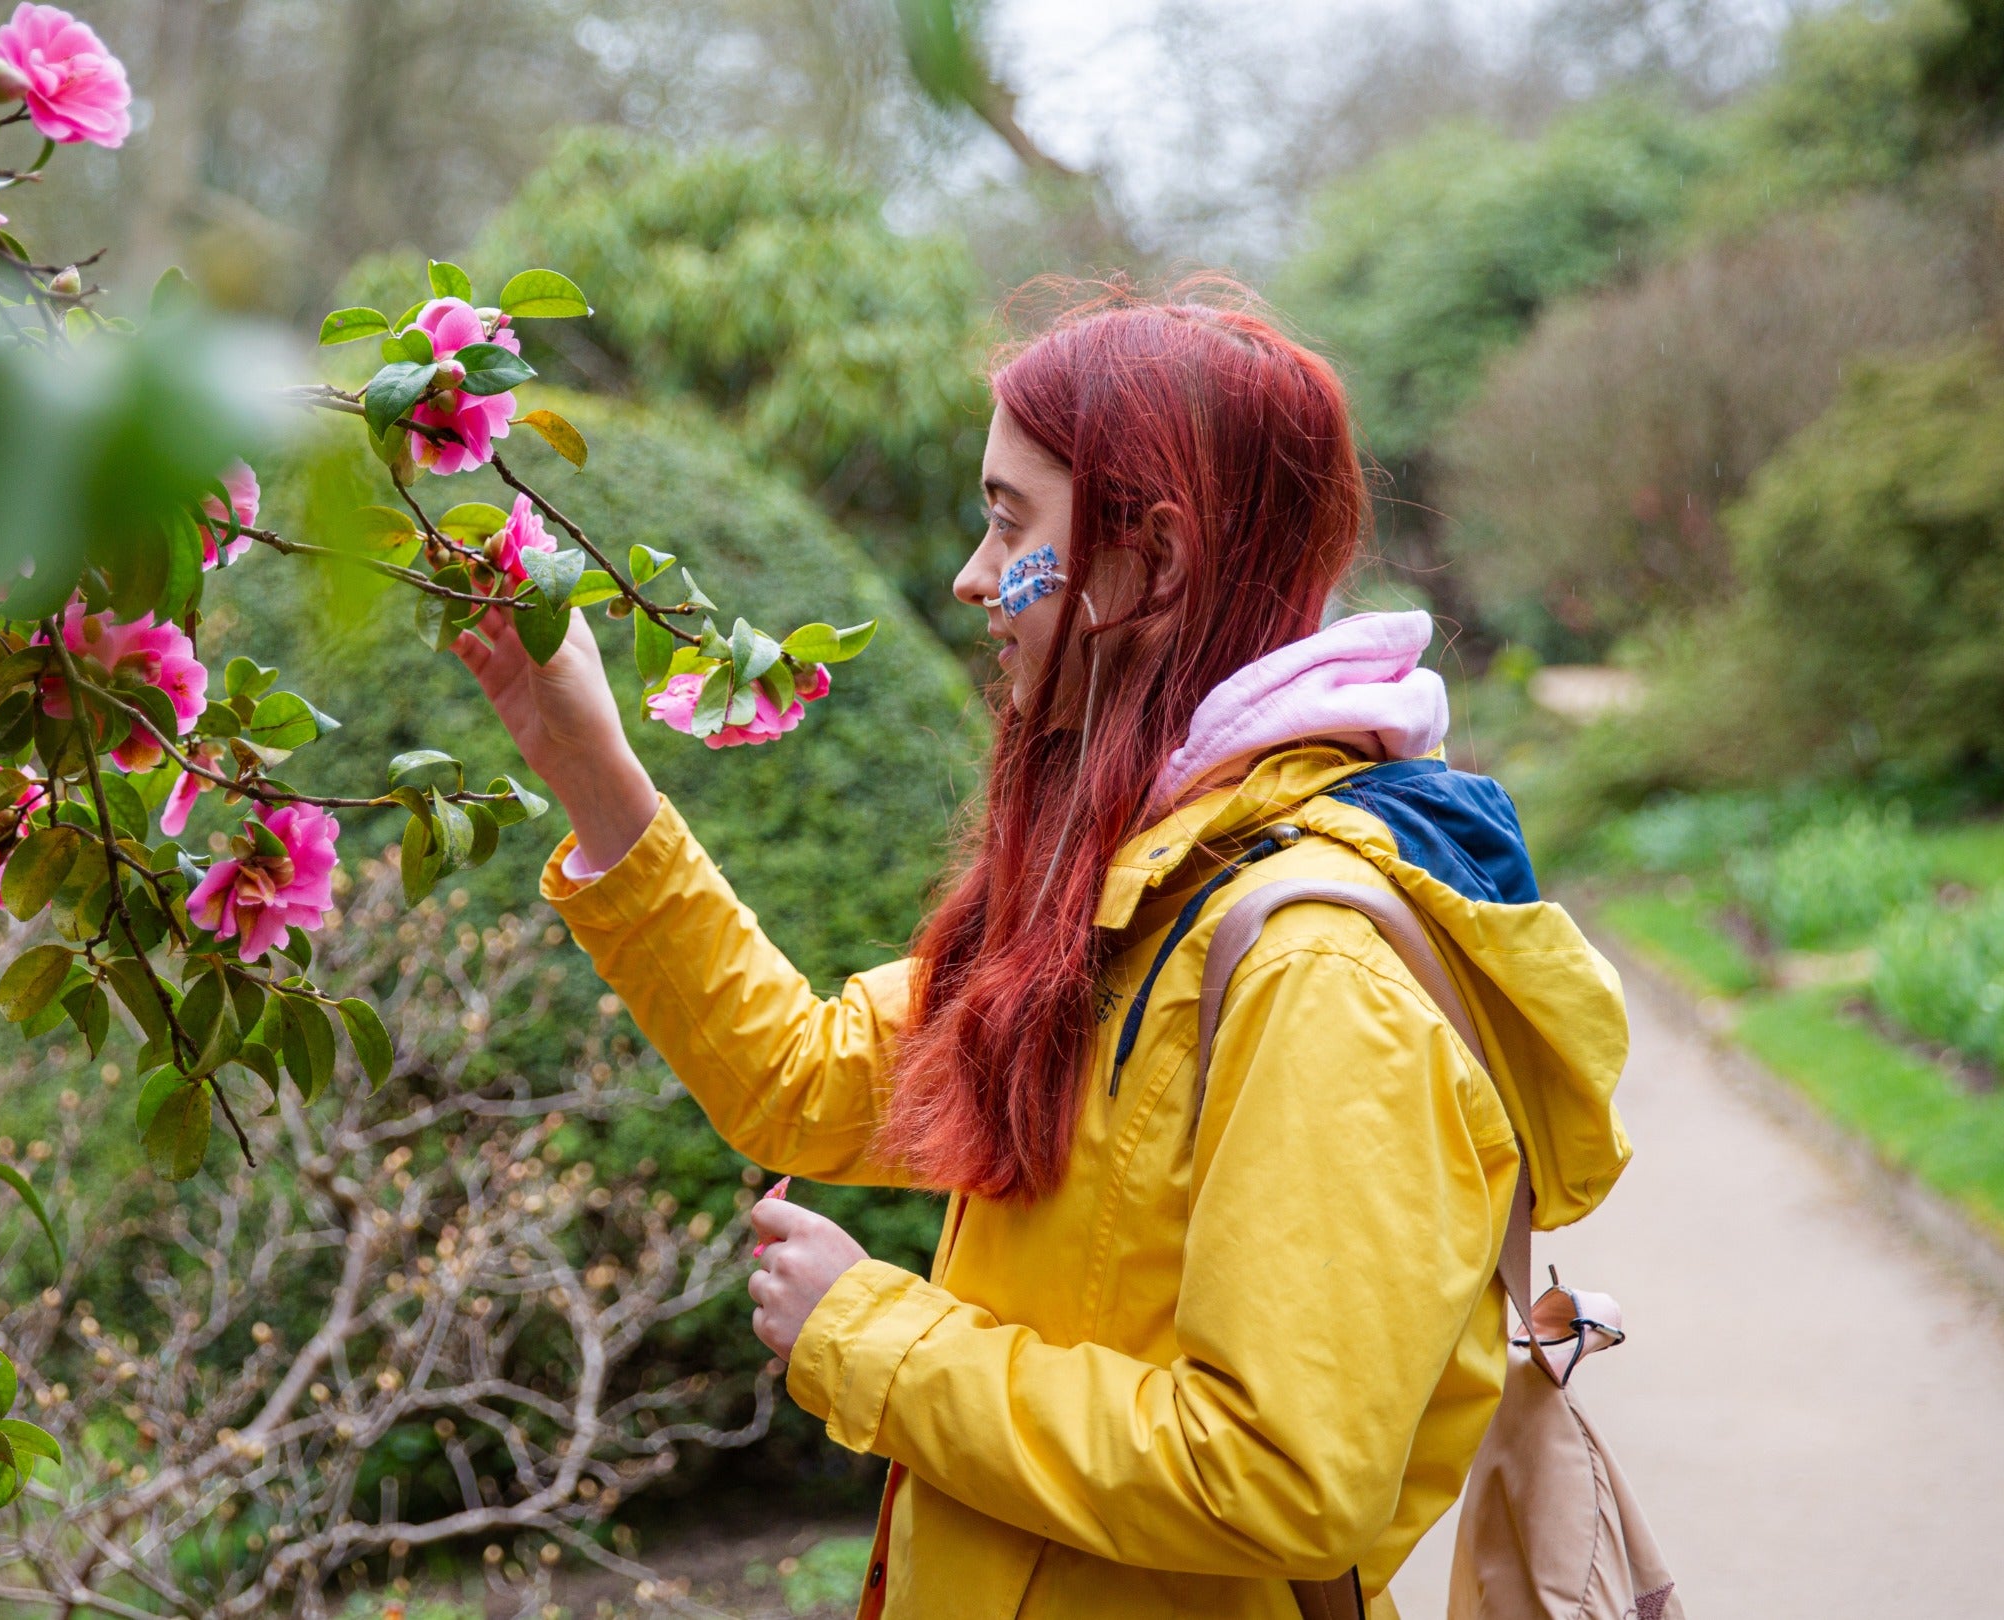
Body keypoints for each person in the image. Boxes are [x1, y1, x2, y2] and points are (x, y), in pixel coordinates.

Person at [452, 282, 1633, 1619]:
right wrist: (586, 766)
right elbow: (800, 1078)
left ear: (1158, 558)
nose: (971, 575)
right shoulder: (1136, 891)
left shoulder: (1314, 969)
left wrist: (869, 1338)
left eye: (1009, 518)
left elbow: (1288, 1475)